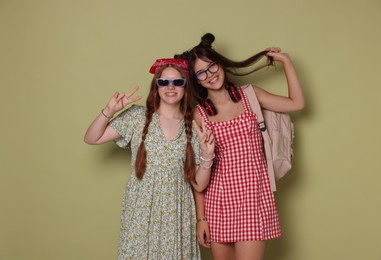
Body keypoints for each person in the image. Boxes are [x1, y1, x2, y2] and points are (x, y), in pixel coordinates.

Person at [175, 33, 305, 260]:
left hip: (253, 197)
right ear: (197, 80)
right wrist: (201, 219)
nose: (210, 75)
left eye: (212, 66)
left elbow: (297, 102)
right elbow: (197, 174)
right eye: (201, 73)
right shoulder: (199, 115)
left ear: (220, 64)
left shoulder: (251, 96)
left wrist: (287, 62)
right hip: (218, 202)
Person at [84, 58, 215, 260]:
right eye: (164, 82)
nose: (170, 87)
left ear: (185, 86)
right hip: (141, 213)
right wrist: (109, 110)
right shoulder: (137, 117)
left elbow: (199, 184)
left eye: (177, 82)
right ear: (157, 86)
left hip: (177, 213)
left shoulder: (192, 126)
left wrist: (207, 156)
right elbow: (92, 138)